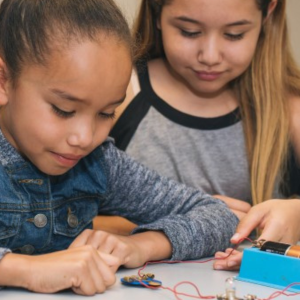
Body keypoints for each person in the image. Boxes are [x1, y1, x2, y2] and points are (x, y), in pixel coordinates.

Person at [0, 0, 240, 295]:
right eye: (64, 109)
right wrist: (25, 270)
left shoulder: (99, 162)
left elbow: (219, 216)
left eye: (106, 113)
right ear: (3, 81)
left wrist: (140, 245)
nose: (85, 138)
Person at [95, 0, 300, 246]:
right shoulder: (118, 94)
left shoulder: (290, 109)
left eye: (234, 35)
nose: (210, 56)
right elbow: (45, 215)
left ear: (268, 13)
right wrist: (195, 219)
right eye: (189, 32)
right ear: (157, 12)